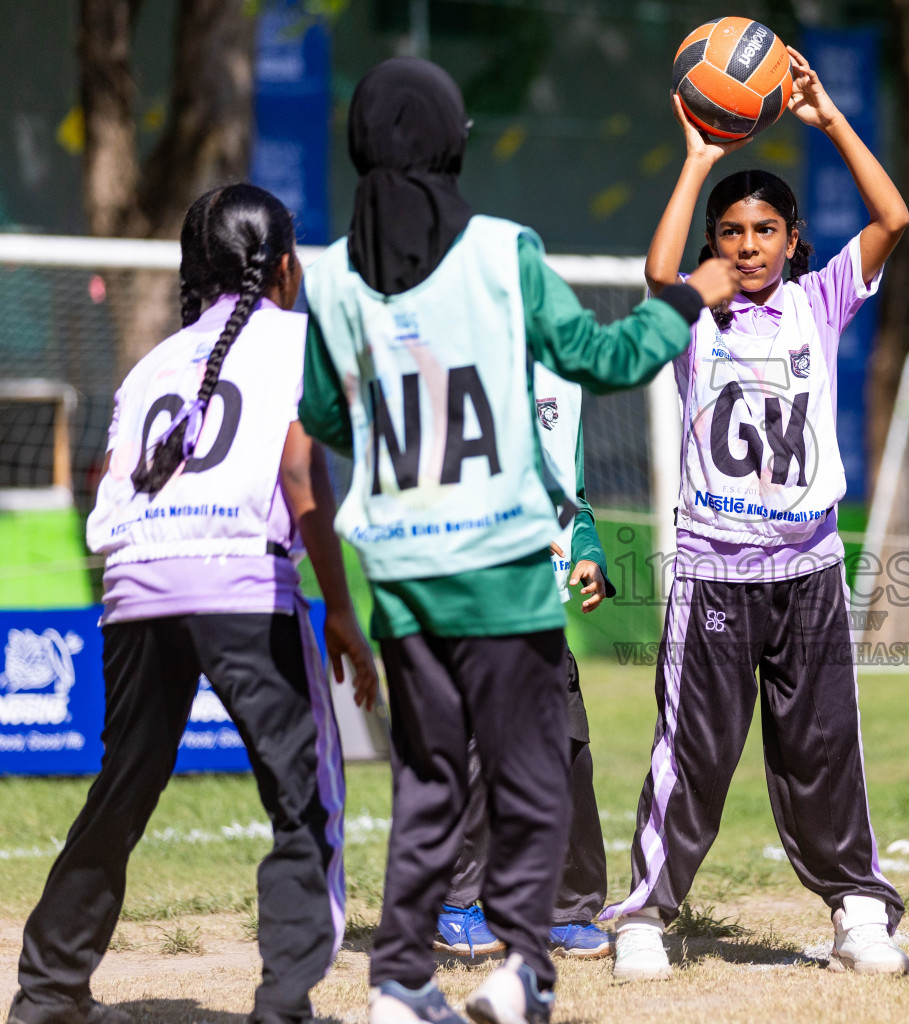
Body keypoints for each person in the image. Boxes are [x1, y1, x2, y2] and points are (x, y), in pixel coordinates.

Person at [297, 58, 739, 1024]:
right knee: (534, 778)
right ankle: (523, 968)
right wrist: (689, 295)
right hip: (500, 565)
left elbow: (328, 418)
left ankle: (402, 982)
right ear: (455, 141)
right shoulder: (503, 251)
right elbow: (604, 359)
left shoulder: (326, 276)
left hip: (402, 575)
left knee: (426, 781)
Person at [9, 183, 377, 1024]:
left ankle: (47, 991)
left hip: (135, 586)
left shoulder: (150, 367)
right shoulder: (302, 342)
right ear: (285, 268)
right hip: (240, 582)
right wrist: (344, 615)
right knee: (302, 799)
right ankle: (285, 1003)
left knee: (123, 786)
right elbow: (302, 474)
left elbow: (112, 486)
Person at [598, 47, 909, 981]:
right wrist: (697, 156)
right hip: (715, 571)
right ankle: (647, 913)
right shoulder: (697, 313)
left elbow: (893, 216)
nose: (746, 245)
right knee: (691, 750)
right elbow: (658, 275)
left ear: (791, 239)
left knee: (823, 750)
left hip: (810, 568)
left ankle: (858, 907)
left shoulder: (823, 301)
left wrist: (829, 121)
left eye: (764, 229)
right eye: (730, 231)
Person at [433, 360, 617, 964]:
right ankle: (457, 902)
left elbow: (576, 503)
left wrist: (589, 556)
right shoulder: (451, 367)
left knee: (568, 749)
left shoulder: (565, 383)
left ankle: (568, 908)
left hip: (539, 611)